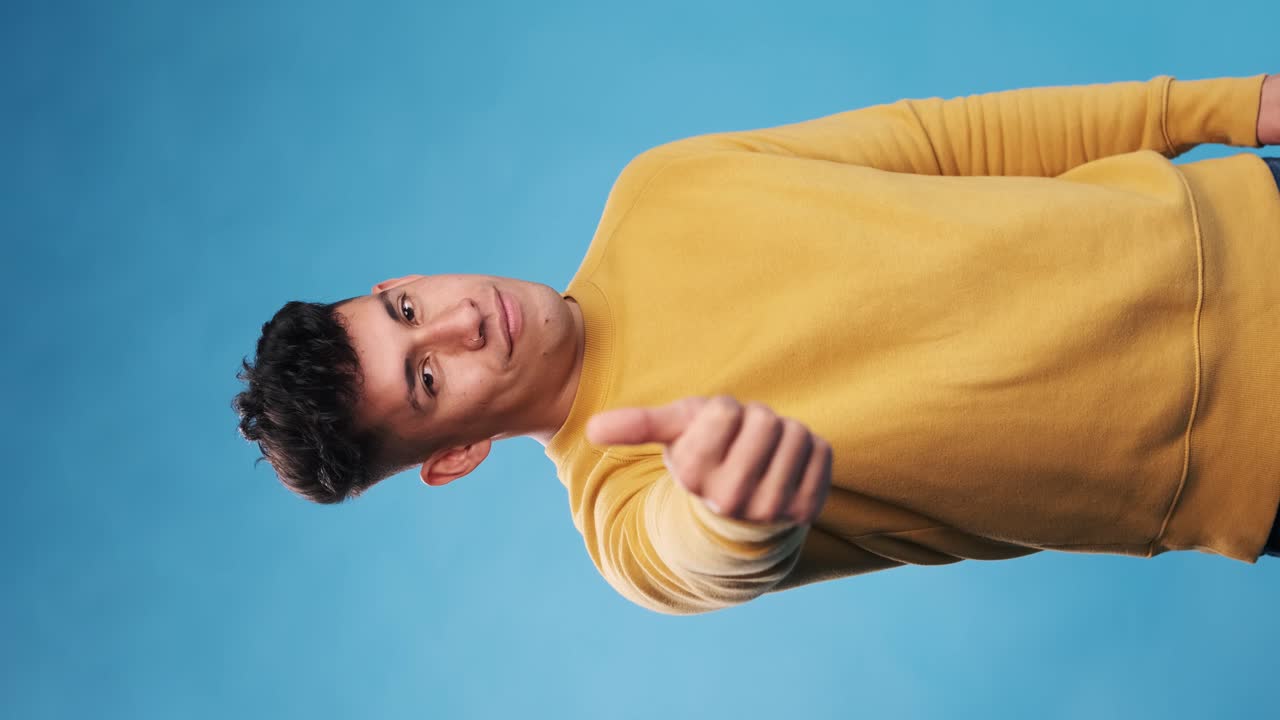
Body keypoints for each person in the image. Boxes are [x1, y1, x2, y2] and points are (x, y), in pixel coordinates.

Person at [235, 72, 1280, 616]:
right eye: (426, 379)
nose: (462, 323)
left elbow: (945, 143)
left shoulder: (659, 186)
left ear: (403, 280)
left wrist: (1234, 105)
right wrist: (732, 504)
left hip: (1248, 205)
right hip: (1258, 454)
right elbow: (705, 553)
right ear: (456, 455)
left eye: (407, 311)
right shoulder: (623, 517)